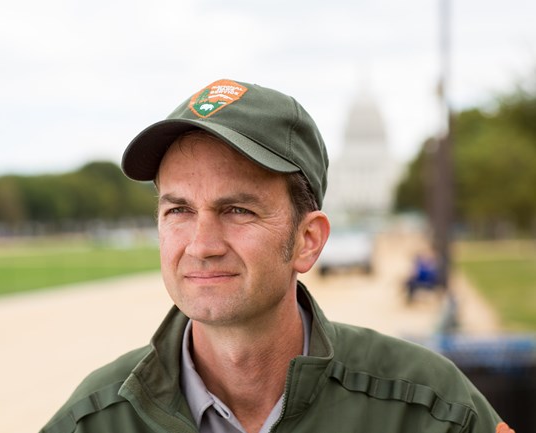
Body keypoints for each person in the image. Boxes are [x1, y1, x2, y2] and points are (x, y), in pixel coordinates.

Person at [40, 79, 511, 433]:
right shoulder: (93, 420)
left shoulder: (431, 409)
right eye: (179, 209)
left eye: (238, 210)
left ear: (308, 240)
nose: (202, 245)